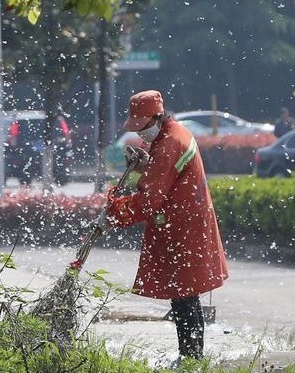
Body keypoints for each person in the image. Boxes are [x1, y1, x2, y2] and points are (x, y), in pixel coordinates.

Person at [97, 90, 229, 360]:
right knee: (183, 294)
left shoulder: (169, 144)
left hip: (184, 229)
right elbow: (164, 176)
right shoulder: (172, 133)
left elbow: (148, 200)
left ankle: (191, 358)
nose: (140, 133)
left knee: (184, 296)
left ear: (157, 117)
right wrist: (144, 165)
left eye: (143, 126)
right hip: (182, 225)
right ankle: (191, 356)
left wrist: (113, 215)